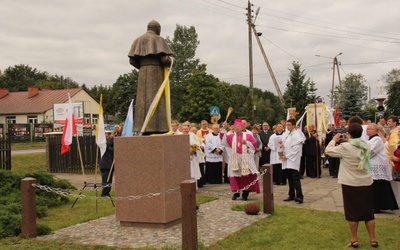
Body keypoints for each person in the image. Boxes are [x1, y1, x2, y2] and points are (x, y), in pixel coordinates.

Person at [325, 123, 378, 248]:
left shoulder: (345, 147)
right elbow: (358, 144)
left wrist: (334, 140)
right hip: (365, 182)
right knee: (368, 212)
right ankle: (373, 239)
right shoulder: (367, 145)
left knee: (352, 212)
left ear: (349, 134)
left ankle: (354, 239)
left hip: (350, 183)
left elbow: (328, 150)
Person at [128, 20, 173, 135]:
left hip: (142, 73)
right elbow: (164, 59)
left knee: (142, 102)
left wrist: (143, 67)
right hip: (156, 72)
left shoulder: (138, 40)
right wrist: (172, 61)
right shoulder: (159, 40)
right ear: (158, 28)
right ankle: (157, 127)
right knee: (157, 100)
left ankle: (141, 127)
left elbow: (132, 60)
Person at [366, 123, 398, 213]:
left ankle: (377, 206)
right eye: (367, 128)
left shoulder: (377, 139)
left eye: (369, 129)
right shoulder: (371, 139)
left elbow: (371, 151)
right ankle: (375, 205)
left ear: (375, 131)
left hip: (377, 166)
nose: (366, 130)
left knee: (377, 187)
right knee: (376, 187)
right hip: (373, 166)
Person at [225, 119, 260, 201]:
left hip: (245, 158)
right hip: (235, 158)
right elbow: (223, 140)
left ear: (242, 127)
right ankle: (236, 192)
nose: (236, 128)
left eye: (238, 126)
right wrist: (224, 128)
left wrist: (247, 143)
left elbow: (254, 144)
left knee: (245, 175)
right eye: (235, 126)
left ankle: (245, 193)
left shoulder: (248, 136)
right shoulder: (230, 136)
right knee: (234, 175)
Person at [279, 119, 304, 204]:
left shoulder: (297, 135)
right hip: (287, 160)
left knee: (295, 178)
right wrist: (282, 145)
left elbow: (296, 149)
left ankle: (300, 196)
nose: (287, 126)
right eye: (287, 125)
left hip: (293, 160)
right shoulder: (287, 134)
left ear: (293, 125)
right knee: (289, 178)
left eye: (289, 125)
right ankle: (291, 194)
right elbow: (286, 145)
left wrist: (287, 156)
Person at [181, 124, 202, 188]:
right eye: (184, 130)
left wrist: (193, 151)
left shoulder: (192, 136)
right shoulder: (179, 136)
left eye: (187, 129)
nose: (186, 131)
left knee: (193, 172)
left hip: (192, 157)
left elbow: (197, 144)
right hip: (182, 158)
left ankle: (194, 188)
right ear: (182, 130)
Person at [99, 131, 114, 197]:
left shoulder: (106, 142)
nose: (107, 135)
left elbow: (111, 149)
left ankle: (107, 192)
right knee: (105, 179)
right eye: (105, 134)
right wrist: (111, 138)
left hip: (109, 164)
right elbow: (107, 145)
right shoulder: (101, 143)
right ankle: (104, 193)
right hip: (104, 164)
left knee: (109, 180)